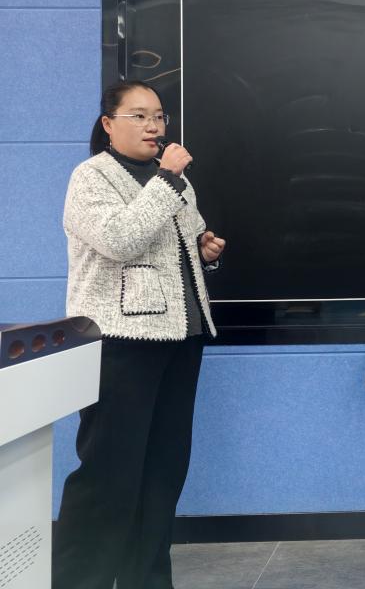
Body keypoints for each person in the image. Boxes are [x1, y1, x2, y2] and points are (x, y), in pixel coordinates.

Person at [53, 80, 226, 589]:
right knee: (108, 476)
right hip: (121, 342)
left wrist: (205, 251)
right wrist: (167, 179)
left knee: (162, 475)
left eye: (159, 116)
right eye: (139, 115)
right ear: (108, 124)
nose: (153, 126)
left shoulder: (176, 182)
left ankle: (147, 581)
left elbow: (178, 245)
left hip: (181, 339)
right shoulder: (91, 177)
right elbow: (121, 239)